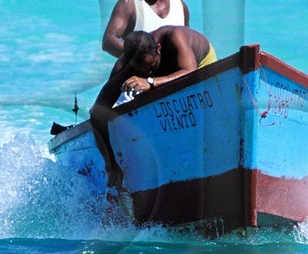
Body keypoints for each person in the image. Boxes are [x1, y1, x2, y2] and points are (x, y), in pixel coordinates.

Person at [89, 27, 217, 189]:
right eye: (142, 69)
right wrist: (110, 164)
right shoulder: (126, 66)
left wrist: (149, 82)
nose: (150, 71)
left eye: (152, 65)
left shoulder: (174, 37)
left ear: (158, 48)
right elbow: (97, 114)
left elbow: (190, 72)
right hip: (164, 77)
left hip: (199, 65)